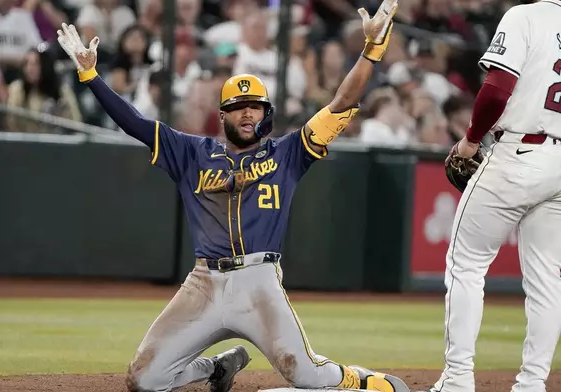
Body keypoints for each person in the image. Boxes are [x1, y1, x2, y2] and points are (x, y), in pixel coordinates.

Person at [56, 1, 411, 391]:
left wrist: (371, 50)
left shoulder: (289, 153)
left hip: (258, 281)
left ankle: (360, 382)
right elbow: (134, 123)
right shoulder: (191, 152)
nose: (246, 115)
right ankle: (217, 369)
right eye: (237, 107)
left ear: (266, 114)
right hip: (204, 282)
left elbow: (342, 102)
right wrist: (89, 74)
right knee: (144, 380)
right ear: (222, 115)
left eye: (254, 107)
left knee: (305, 374)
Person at [423, 1, 561, 392]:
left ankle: (457, 379)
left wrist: (469, 141)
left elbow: (496, 90)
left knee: (465, 262)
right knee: (547, 281)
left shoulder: (525, 16)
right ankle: (533, 384)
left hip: (519, 150)